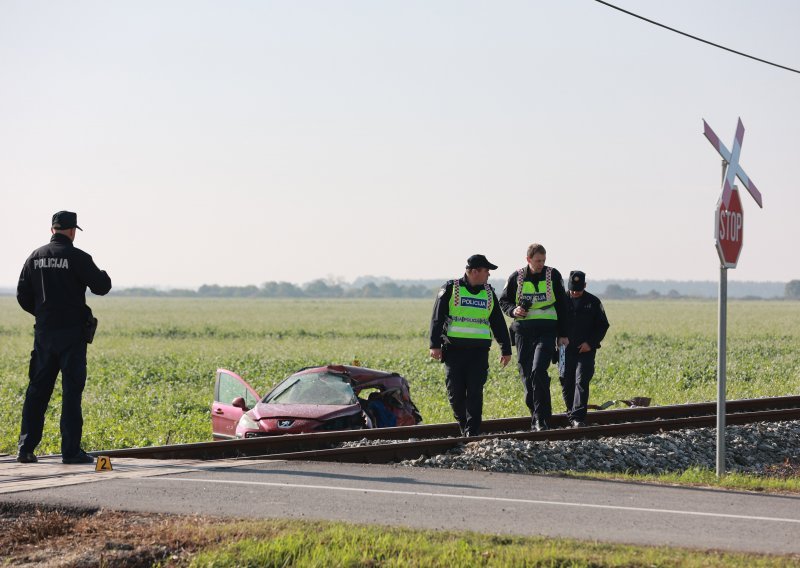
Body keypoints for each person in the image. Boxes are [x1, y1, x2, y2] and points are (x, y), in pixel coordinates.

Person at [16, 211, 112, 464]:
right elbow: (102, 287)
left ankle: (25, 449)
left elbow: (22, 295)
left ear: (52, 230)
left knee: (37, 391)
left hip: (44, 334)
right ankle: (70, 452)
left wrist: (44, 313)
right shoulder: (77, 257)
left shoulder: (34, 257)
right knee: (71, 393)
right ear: (72, 231)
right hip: (72, 335)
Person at [429, 254, 512, 437]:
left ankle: (471, 432)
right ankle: (463, 423)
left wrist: (506, 349)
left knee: (475, 392)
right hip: (454, 352)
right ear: (474, 271)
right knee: (455, 394)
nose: (489, 275)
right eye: (486, 271)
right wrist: (434, 345)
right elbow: (437, 318)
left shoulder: (489, 293)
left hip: (478, 353)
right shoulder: (451, 289)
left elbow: (498, 323)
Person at [499, 243, 570, 431]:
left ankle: (541, 420)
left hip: (547, 331)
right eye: (538, 261)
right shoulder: (517, 277)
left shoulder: (553, 275)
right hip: (523, 332)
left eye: (543, 260)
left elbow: (563, 305)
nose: (541, 264)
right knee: (527, 376)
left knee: (538, 371)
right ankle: (536, 414)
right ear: (528, 259)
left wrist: (563, 334)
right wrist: (514, 310)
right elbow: (503, 301)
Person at [559, 270, 610, 428]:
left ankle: (578, 418)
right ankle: (571, 414)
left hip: (585, 350)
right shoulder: (560, 300)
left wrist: (590, 343)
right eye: (572, 290)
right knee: (567, 382)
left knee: (581, 380)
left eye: (578, 290)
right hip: (564, 351)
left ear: (585, 286)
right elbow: (553, 322)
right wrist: (559, 337)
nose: (575, 293)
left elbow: (603, 325)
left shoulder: (593, 302)